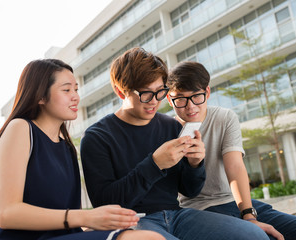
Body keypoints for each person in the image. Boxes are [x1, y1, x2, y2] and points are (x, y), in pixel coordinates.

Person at [80, 47, 271, 240]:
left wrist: (195, 164)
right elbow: (105, 203)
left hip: (178, 216)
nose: (154, 102)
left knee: (254, 236)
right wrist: (154, 164)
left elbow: (189, 190)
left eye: (160, 92)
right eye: (146, 94)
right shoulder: (97, 137)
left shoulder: (170, 126)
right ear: (121, 92)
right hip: (134, 221)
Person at [0, 59, 164, 240]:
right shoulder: (20, 128)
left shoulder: (67, 147)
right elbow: (7, 214)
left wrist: (102, 221)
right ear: (40, 96)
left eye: (76, 89)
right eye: (66, 90)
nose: (76, 96)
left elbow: (67, 221)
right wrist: (87, 217)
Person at [166, 61, 296, 240]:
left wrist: (248, 214)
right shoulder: (166, 130)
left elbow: (235, 167)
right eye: (180, 99)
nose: (190, 106)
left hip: (235, 203)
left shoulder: (224, 117)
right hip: (199, 210)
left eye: (196, 96)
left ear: (207, 92)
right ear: (169, 99)